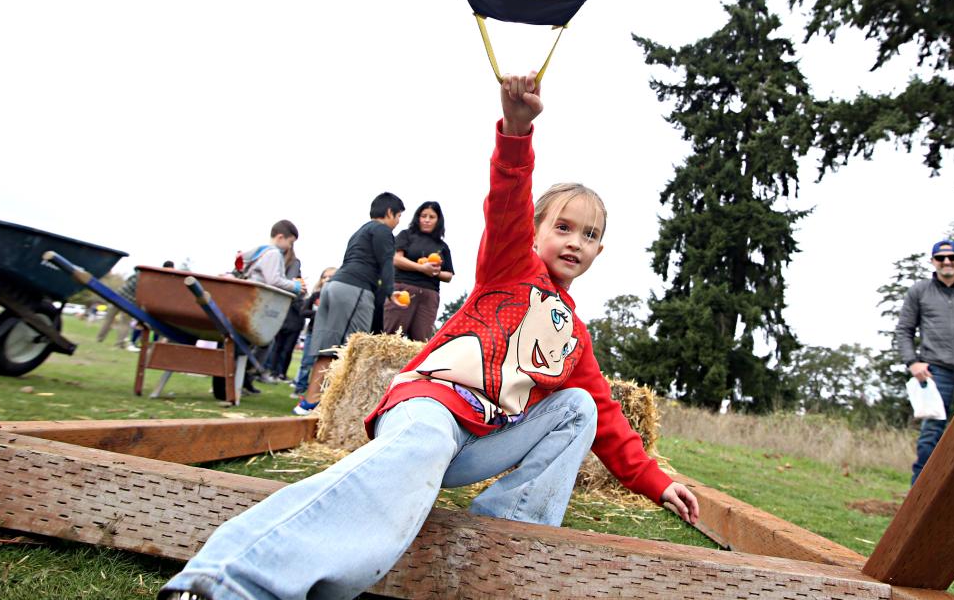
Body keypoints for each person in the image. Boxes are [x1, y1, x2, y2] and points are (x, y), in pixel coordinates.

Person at [158, 72, 700, 600]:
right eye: (562, 227)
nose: (576, 242)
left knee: (579, 405)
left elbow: (606, 418)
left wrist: (656, 482)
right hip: (431, 409)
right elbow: (506, 201)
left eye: (590, 235)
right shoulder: (510, 267)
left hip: (482, 441)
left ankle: (504, 544)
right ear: (532, 234)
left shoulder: (573, 337)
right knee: (428, 440)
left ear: (600, 253)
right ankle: (232, 581)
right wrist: (515, 133)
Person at [291, 193, 406, 413]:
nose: (398, 221)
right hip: (355, 290)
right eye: (398, 216)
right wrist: (390, 292)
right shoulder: (382, 230)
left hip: (334, 287)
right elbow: (386, 263)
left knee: (327, 347)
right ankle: (325, 406)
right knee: (349, 350)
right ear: (389, 212)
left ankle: (310, 401)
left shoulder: (360, 231)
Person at [894, 239, 954, 484]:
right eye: (940, 258)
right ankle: (918, 491)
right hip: (935, 370)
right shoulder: (919, 291)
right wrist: (912, 362)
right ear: (933, 262)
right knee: (931, 433)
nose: (946, 262)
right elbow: (904, 330)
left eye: (952, 257)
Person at [238, 221, 306, 394]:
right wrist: (295, 286)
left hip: (247, 301)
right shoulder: (274, 253)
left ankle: (245, 377)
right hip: (257, 303)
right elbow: (273, 280)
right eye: (290, 242)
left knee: (258, 343)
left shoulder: (259, 251)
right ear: (281, 237)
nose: (290, 247)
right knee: (265, 341)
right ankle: (247, 375)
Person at [383, 201, 455, 341]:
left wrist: (435, 272)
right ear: (418, 218)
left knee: (421, 341)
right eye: (424, 216)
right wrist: (421, 268)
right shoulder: (406, 235)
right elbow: (396, 259)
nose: (427, 220)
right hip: (404, 289)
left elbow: (448, 275)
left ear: (438, 220)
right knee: (392, 338)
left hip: (429, 295)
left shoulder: (442, 246)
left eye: (431, 217)